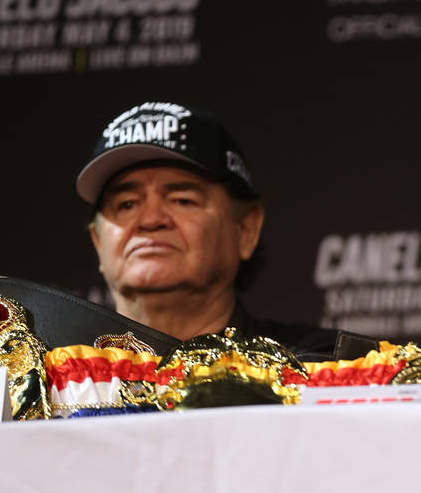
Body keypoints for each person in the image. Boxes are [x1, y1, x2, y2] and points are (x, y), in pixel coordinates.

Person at [77, 101, 341, 358]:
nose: (151, 219)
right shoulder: (51, 377)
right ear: (98, 242)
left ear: (246, 229)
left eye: (182, 200)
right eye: (127, 204)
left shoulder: (327, 370)